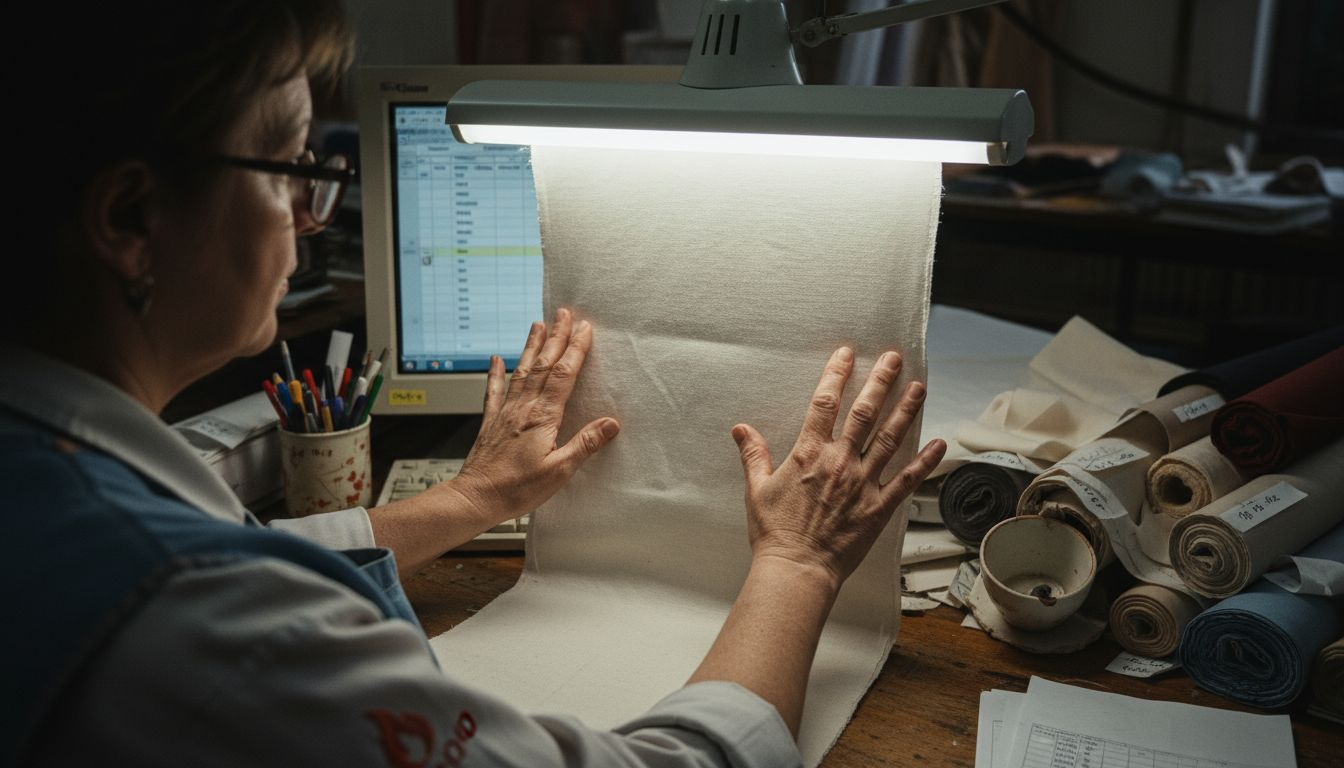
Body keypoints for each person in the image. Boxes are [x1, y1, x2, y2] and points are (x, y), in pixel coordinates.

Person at [2, 2, 946, 765]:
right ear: (128, 217)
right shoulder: (211, 626)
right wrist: (795, 568)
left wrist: (468, 500)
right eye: (289, 165)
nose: (312, 214)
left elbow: (235, 553)